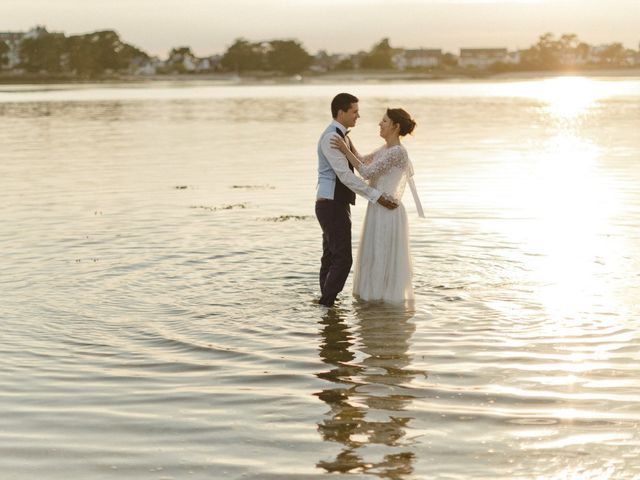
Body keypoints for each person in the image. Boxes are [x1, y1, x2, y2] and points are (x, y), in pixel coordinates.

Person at [330, 108, 424, 303]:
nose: (379, 124)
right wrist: (347, 142)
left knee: (383, 253)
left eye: (384, 121)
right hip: (377, 208)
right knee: (375, 253)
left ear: (396, 127)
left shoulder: (397, 151)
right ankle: (372, 296)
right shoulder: (386, 149)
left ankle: (384, 299)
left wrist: (344, 149)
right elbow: (363, 159)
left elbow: (365, 172)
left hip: (388, 211)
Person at [315, 93, 398, 307]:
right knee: (343, 259)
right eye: (354, 111)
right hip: (330, 203)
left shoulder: (343, 137)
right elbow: (345, 175)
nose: (358, 116)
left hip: (336, 203)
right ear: (341, 112)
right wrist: (376, 196)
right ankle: (326, 303)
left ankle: (326, 307)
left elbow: (360, 163)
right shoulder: (331, 138)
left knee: (331, 256)